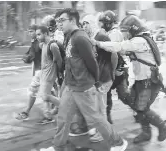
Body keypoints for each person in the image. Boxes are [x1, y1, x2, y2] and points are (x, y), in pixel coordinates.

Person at [42, 8, 128, 151]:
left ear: (72, 20)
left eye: (62, 20)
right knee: (63, 118)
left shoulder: (80, 38)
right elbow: (71, 61)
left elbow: (92, 63)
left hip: (83, 87)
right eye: (57, 21)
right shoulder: (69, 36)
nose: (59, 24)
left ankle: (118, 143)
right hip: (71, 85)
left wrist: (97, 82)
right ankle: (58, 146)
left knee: (95, 119)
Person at [93, 15, 166, 144]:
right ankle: (146, 132)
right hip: (143, 80)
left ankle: (163, 126)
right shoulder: (138, 40)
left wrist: (98, 43)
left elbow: (119, 47)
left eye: (125, 31)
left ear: (133, 29)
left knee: (142, 108)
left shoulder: (139, 41)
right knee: (133, 103)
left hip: (149, 81)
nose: (124, 34)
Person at [99, 10, 132, 124]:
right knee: (106, 93)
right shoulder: (108, 33)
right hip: (112, 67)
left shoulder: (114, 33)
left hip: (119, 68)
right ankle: (107, 118)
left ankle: (139, 110)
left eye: (103, 22)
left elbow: (113, 52)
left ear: (108, 22)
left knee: (123, 95)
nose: (102, 25)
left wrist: (116, 70)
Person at [36, 25, 62, 124]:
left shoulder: (52, 45)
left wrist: (59, 73)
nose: (37, 37)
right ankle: (47, 116)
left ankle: (62, 106)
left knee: (45, 96)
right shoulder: (43, 44)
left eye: (39, 34)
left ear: (46, 33)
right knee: (44, 95)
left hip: (50, 75)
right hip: (43, 73)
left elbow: (59, 61)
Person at [16, 24, 42, 121]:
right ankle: (52, 112)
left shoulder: (39, 42)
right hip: (38, 70)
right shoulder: (34, 42)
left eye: (31, 31)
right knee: (49, 93)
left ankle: (27, 112)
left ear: (36, 31)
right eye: (29, 31)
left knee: (33, 92)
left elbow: (31, 56)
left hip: (42, 71)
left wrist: (27, 58)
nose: (29, 33)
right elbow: (29, 54)